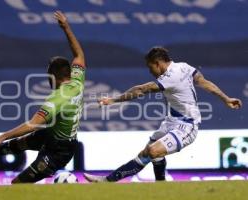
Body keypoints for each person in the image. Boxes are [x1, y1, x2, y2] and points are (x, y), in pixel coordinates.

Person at [84, 47, 242, 182]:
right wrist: (226, 98)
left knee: (153, 151)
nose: (150, 71)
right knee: (147, 153)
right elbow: (204, 82)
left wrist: (113, 100)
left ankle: (108, 181)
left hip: (187, 126)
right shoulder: (184, 67)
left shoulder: (171, 77)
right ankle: (150, 186)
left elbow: (141, 90)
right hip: (171, 122)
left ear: (158, 63)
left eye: (150, 67)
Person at [0, 11, 86, 184]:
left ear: (53, 76)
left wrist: (1, 136)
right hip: (52, 136)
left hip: (59, 152)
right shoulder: (77, 80)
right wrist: (66, 27)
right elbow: (79, 54)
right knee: (21, 143)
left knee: (17, 184)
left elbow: (33, 124)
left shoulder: (58, 98)